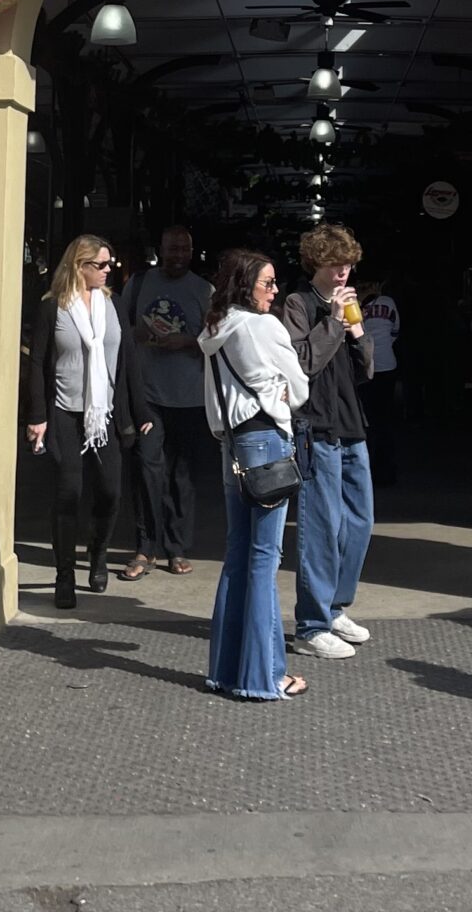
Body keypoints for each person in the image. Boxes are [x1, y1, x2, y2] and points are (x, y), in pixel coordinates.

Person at [200, 246, 310, 701]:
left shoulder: (214, 328)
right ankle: (265, 676)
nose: (275, 290)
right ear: (247, 286)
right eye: (268, 283)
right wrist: (280, 391)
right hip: (266, 441)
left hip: (231, 442)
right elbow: (300, 389)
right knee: (265, 559)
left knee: (238, 554)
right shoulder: (265, 326)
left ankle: (227, 670)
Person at [22, 235, 135, 609]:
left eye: (109, 265)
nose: (107, 271)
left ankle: (98, 553)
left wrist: (139, 414)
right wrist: (37, 415)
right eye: (100, 265)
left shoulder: (111, 304)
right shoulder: (53, 307)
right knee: (68, 494)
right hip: (64, 412)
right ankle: (64, 575)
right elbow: (37, 362)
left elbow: (127, 359)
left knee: (110, 491)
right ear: (78, 266)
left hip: (104, 416)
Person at [283, 223, 375, 661]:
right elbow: (302, 363)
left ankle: (336, 607)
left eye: (349, 264)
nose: (344, 272)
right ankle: (311, 624)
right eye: (336, 264)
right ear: (316, 264)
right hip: (316, 426)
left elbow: (365, 373)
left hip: (351, 423)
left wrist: (358, 334)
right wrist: (335, 322)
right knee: (322, 525)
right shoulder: (298, 304)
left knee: (359, 520)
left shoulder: (347, 307)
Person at [118, 225, 212, 580]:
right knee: (146, 468)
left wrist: (188, 342)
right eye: (171, 250)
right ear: (160, 250)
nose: (177, 256)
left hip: (189, 398)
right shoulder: (139, 284)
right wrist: (136, 334)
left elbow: (217, 339)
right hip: (147, 397)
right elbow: (119, 332)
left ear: (191, 252)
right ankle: (145, 547)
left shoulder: (204, 290)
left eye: (183, 250)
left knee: (181, 476)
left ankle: (176, 548)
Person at [357, 272, 402, 487]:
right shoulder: (388, 303)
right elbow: (395, 330)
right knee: (385, 420)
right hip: (387, 363)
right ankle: (386, 470)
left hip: (365, 367)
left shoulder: (354, 305)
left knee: (366, 420)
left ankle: (368, 469)